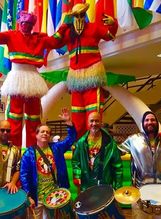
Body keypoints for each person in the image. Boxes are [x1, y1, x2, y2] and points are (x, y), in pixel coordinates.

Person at [0, 11, 66, 147]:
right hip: (17, 80)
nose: (26, 26)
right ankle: (13, 150)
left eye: (29, 24)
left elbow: (55, 41)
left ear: (32, 25)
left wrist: (65, 26)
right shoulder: (12, 35)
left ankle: (33, 150)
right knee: (14, 118)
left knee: (34, 119)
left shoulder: (39, 39)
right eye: (23, 23)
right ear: (19, 23)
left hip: (33, 81)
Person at [54, 3, 118, 138]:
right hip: (75, 78)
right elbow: (54, 42)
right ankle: (78, 144)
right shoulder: (68, 32)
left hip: (92, 75)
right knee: (77, 114)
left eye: (82, 14)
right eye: (76, 16)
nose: (79, 18)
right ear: (72, 17)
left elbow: (109, 36)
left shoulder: (94, 27)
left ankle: (94, 144)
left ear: (85, 15)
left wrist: (113, 24)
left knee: (93, 112)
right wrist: (63, 26)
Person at [20, 108, 77, 218]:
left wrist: (69, 123)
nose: (45, 133)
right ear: (36, 135)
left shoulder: (57, 148)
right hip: (38, 197)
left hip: (55, 195)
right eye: (42, 131)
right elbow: (24, 176)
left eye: (47, 132)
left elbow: (71, 139)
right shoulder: (29, 153)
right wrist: (28, 195)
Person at [118, 111, 161, 219]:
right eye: (147, 120)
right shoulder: (133, 140)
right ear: (143, 123)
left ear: (156, 122)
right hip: (139, 189)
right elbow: (116, 152)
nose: (149, 122)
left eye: (152, 120)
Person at [72, 112, 123, 192]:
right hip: (87, 185)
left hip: (105, 185)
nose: (94, 124)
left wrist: (118, 186)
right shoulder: (81, 143)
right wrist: (77, 176)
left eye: (97, 121)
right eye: (91, 121)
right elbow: (76, 162)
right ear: (88, 123)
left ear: (101, 122)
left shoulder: (109, 143)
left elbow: (117, 165)